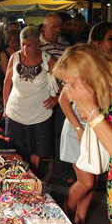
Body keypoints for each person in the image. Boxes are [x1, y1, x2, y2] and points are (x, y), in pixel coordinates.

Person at [53, 43, 112, 224]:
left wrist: (91, 110)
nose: (68, 91)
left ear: (88, 77)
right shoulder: (105, 93)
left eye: (70, 84)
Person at [3, 26, 57, 173]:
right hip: (15, 113)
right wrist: (5, 106)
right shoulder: (14, 58)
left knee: (36, 151)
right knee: (14, 151)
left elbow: (67, 79)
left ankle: (33, 180)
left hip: (39, 114)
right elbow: (7, 83)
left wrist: (57, 98)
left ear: (37, 44)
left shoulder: (47, 59)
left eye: (29, 45)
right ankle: (15, 178)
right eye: (22, 44)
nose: (25, 48)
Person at [39, 13, 71, 183]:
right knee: (43, 137)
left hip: (60, 97)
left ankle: (58, 173)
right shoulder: (36, 45)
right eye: (53, 26)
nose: (57, 30)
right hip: (40, 99)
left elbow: (69, 74)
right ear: (44, 28)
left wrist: (58, 95)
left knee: (60, 135)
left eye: (59, 26)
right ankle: (45, 172)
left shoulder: (65, 44)